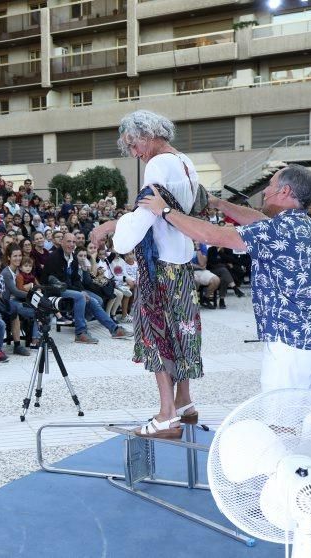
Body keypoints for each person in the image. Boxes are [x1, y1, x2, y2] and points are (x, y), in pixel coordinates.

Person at [137, 164, 311, 395]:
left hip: (292, 343)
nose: (265, 191)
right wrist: (218, 203)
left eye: (270, 185)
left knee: (282, 421)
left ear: (284, 191)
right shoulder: (302, 223)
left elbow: (212, 235)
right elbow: (259, 219)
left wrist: (166, 211)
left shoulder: (277, 230)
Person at [90, 110, 202, 438]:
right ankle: (184, 402)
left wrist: (115, 231)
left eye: (133, 144)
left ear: (148, 133)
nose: (134, 153)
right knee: (182, 331)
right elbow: (164, 211)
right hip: (181, 263)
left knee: (157, 338)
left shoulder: (156, 165)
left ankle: (167, 416)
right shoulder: (185, 162)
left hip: (160, 268)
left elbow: (141, 222)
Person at [43, 234, 129, 343]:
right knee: (80, 297)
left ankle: (114, 329)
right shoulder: (54, 257)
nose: (71, 244)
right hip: (54, 289)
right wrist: (80, 292)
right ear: (62, 242)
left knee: (92, 300)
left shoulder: (73, 258)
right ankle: (80, 333)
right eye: (69, 241)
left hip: (68, 288)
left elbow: (76, 279)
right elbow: (60, 281)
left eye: (73, 242)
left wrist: (82, 290)